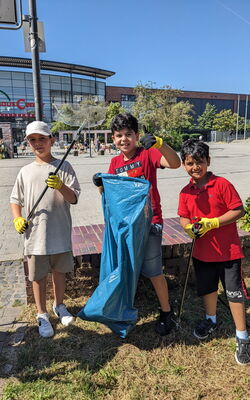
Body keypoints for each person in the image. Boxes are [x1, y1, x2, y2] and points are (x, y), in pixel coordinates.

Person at [95, 113, 181, 335]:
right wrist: (100, 185)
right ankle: (124, 307)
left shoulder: (147, 154)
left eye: (128, 134)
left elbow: (175, 163)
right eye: (119, 135)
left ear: (137, 135)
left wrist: (161, 144)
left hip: (150, 222)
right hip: (126, 226)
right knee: (127, 267)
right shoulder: (114, 163)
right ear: (113, 139)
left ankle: (167, 312)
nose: (124, 139)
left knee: (152, 269)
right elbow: (112, 196)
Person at [178, 138, 249, 365]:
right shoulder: (185, 191)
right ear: (183, 165)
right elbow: (183, 216)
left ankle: (242, 335)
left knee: (234, 293)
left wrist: (214, 222)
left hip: (228, 252)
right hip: (202, 253)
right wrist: (188, 227)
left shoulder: (222, 184)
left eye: (199, 162)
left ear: (208, 161)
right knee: (207, 289)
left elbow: (239, 210)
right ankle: (211, 319)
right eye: (190, 163)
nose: (195, 167)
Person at [10, 121, 81, 338]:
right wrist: (17, 218)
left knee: (59, 273)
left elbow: (74, 198)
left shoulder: (64, 167)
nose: (38, 143)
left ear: (52, 140)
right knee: (37, 276)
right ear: (28, 143)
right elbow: (15, 199)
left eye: (42, 138)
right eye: (33, 140)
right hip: (35, 235)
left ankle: (59, 305)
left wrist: (60, 185)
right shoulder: (25, 171)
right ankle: (41, 313)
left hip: (59, 233)